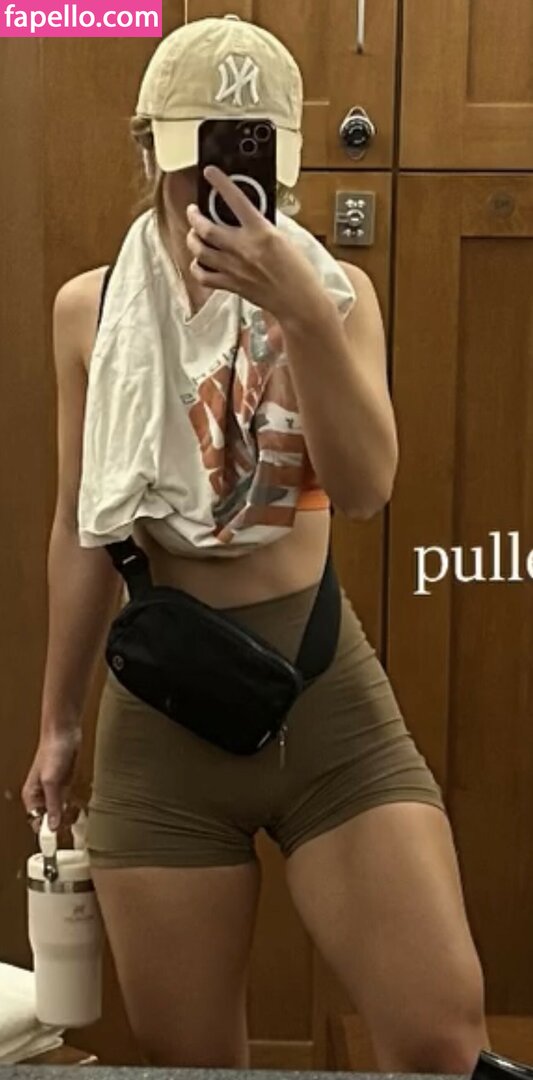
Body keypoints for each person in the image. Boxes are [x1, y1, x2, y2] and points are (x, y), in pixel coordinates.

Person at [22, 14, 489, 1071]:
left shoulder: (337, 298)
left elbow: (364, 488)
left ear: (282, 161)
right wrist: (57, 725)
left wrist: (302, 318)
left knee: (440, 1036)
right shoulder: (88, 313)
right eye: (197, 155)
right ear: (150, 150)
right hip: (161, 721)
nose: (214, 185)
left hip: (323, 699)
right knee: (193, 1066)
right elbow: (79, 524)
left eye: (243, 156)